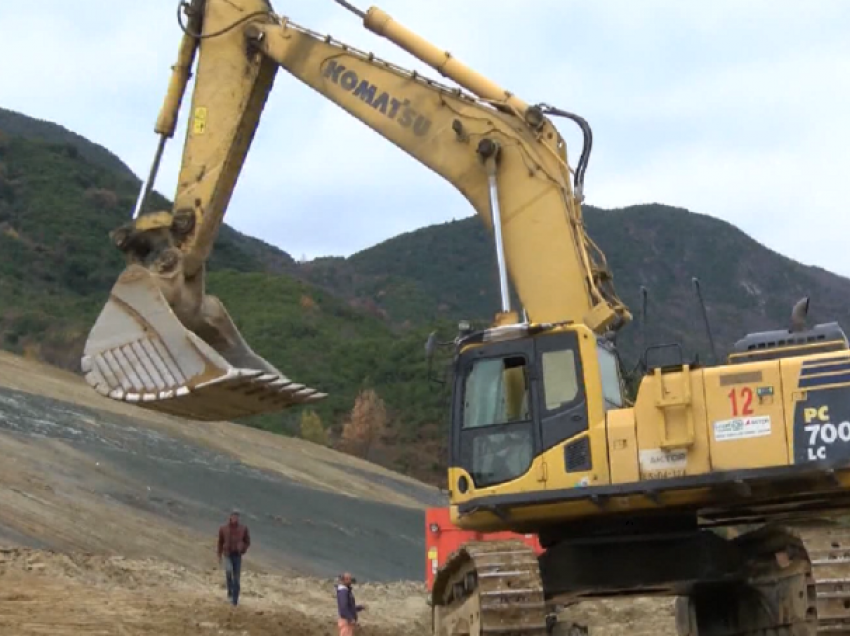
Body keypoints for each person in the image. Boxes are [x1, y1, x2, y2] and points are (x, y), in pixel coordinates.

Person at [217, 509, 251, 606]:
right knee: (228, 571)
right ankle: (230, 592)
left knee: (236, 578)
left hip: (237, 555)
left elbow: (247, 541)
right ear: (230, 517)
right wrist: (219, 554)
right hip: (227, 554)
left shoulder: (243, 528)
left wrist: (243, 548)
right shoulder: (223, 528)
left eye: (237, 516)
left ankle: (235, 601)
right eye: (233, 516)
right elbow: (220, 542)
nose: (235, 518)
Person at [336, 572, 366, 636]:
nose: (350, 581)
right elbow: (343, 608)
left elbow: (349, 607)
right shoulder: (343, 592)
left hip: (347, 621)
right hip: (346, 621)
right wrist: (350, 618)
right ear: (343, 580)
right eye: (347, 579)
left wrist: (360, 607)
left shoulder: (346, 591)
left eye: (350, 579)